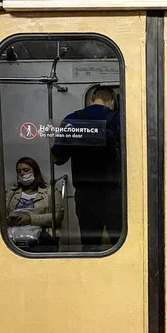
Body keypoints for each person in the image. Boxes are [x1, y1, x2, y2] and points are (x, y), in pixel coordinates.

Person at [51, 86, 121, 252]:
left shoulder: (72, 120)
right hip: (114, 193)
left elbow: (57, 159)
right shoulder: (119, 119)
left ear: (91, 100)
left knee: (90, 244)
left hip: (85, 193)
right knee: (119, 244)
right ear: (111, 102)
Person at [6, 157, 64, 249]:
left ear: (35, 172)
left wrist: (30, 219)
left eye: (26, 170)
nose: (22, 173)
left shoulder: (50, 191)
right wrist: (8, 220)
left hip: (42, 232)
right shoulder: (12, 192)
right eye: (19, 171)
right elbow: (0, 215)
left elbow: (57, 217)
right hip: (13, 231)